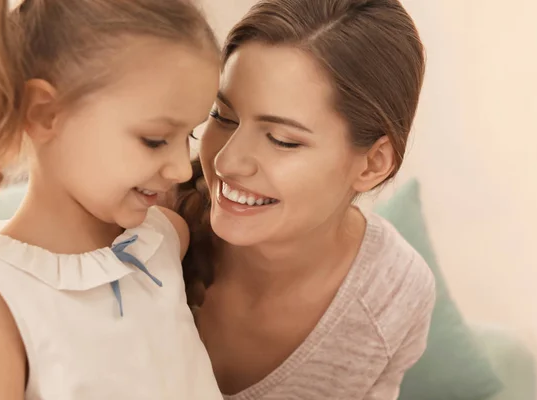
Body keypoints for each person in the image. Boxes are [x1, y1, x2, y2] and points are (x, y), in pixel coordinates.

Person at [0, 0, 222, 399]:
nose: (181, 170)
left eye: (189, 137)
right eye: (155, 140)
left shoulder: (164, 239)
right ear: (43, 113)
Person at [175, 0, 436, 398]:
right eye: (222, 116)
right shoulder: (141, 220)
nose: (227, 161)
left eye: (283, 140)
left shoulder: (391, 297)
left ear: (372, 164)